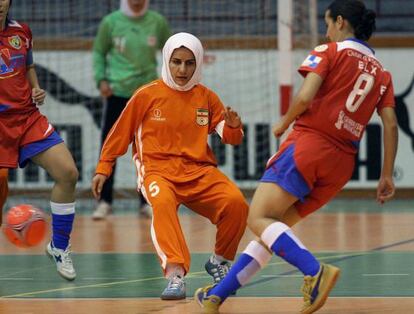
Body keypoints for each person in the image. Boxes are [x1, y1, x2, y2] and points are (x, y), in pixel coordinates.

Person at [195, 0, 398, 313]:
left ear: (341, 22)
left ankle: (315, 271)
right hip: (341, 165)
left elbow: (305, 96)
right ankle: (217, 295)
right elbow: (391, 124)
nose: (326, 30)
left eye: (328, 23)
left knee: (258, 218)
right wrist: (386, 174)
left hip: (309, 147)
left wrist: (284, 122)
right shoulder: (382, 74)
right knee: (272, 231)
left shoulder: (330, 52)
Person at [92, 32, 249, 300]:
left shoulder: (207, 98)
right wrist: (104, 166)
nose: (182, 69)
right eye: (176, 62)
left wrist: (234, 127)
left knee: (236, 203)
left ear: (197, 64)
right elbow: (120, 133)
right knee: (162, 203)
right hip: (157, 171)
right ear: (167, 60)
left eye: (189, 63)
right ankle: (175, 274)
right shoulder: (146, 95)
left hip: (198, 172)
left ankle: (219, 262)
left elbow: (229, 137)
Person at [0, 0, 78, 280]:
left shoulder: (22, 32)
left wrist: (36, 89)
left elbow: (28, 66)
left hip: (28, 118)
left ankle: (59, 246)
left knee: (68, 173)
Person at [92, 0, 171, 220]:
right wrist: (101, 79)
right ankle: (104, 202)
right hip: (118, 93)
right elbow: (99, 52)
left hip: (147, 95)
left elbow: (170, 53)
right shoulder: (111, 22)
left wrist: (167, 85)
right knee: (110, 146)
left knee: (150, 148)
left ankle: (147, 200)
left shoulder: (158, 22)